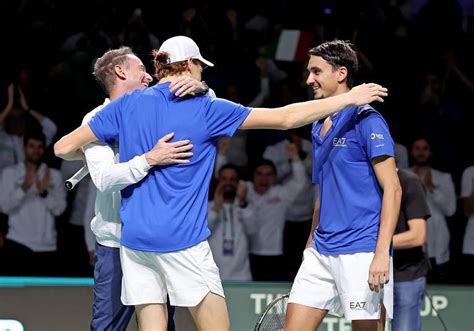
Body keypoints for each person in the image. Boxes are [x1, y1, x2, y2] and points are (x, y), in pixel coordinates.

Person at [54, 36, 388, 330]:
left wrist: (122, 152)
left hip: (135, 242)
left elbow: (64, 147)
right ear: (189, 66)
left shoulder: (124, 105)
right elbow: (285, 118)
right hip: (180, 240)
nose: (203, 75)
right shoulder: (207, 108)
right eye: (200, 69)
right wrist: (348, 98)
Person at [67, 46, 207, 330]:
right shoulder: (96, 119)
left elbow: (206, 109)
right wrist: (149, 159)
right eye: (141, 69)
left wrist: (200, 85)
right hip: (117, 243)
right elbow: (105, 179)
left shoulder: (158, 108)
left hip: (156, 240)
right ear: (121, 71)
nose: (150, 77)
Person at [285, 40, 401, 331]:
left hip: (361, 250)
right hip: (320, 251)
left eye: (316, 71)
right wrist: (310, 243)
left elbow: (393, 189)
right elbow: (323, 190)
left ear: (341, 73)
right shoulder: (318, 123)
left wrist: (380, 255)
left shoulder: (368, 120)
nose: (309, 79)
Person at [0, 131, 66, 276]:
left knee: (45, 297)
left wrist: (44, 193)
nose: (36, 151)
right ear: (24, 148)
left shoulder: (54, 175)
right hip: (17, 244)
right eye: (31, 146)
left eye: (39, 147)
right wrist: (24, 188)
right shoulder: (10, 173)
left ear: (44, 149)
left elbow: (60, 209)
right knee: (14, 297)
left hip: (47, 246)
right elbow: (4, 207)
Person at [410, 137, 456, 281]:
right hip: (409, 244)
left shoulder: (443, 178)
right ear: (411, 152)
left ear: (430, 152)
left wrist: (431, 188)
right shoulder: (402, 175)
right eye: (417, 148)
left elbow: (451, 210)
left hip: (437, 244)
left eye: (425, 149)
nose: (421, 152)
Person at [392, 168, 431, 331]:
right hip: (370, 276)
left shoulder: (409, 181)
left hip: (406, 274)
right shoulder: (364, 182)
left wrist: (375, 245)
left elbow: (418, 235)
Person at [208, 163, 254, 281]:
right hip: (213, 277)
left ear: (238, 183)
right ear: (218, 181)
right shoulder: (208, 207)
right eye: (224, 179)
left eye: (232, 179)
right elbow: (203, 233)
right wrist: (216, 209)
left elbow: (253, 231)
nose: (228, 182)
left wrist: (243, 204)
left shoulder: (245, 207)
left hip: (242, 277)